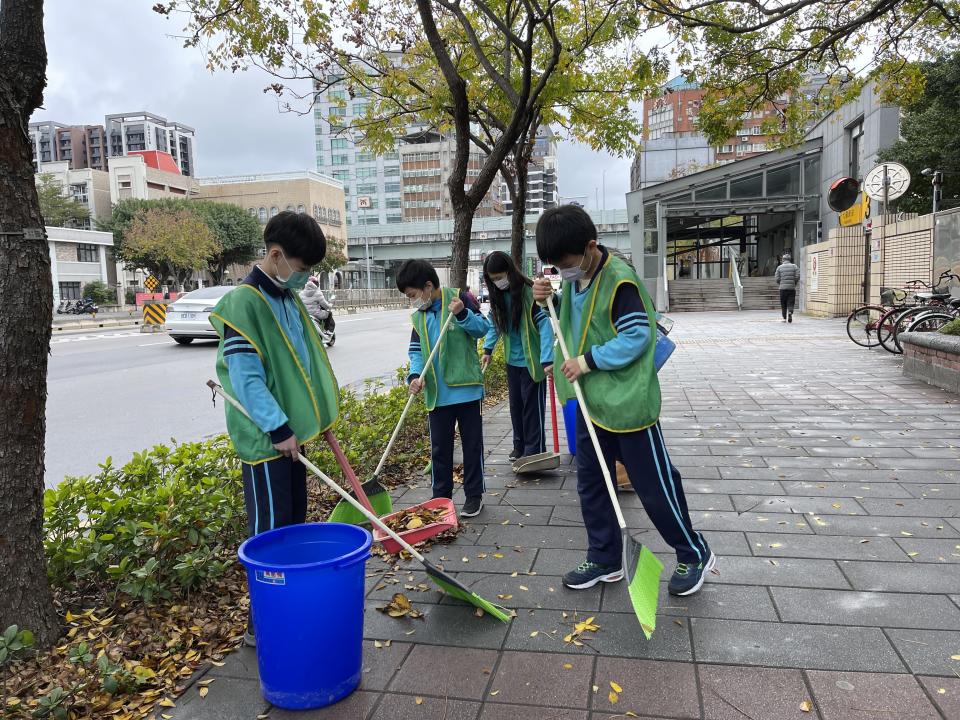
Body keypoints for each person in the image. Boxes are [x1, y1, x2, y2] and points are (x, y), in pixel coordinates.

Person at [531, 205, 713, 596]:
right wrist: (547, 299)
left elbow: (637, 337)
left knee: (654, 487)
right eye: (555, 266)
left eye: (565, 263)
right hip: (591, 402)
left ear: (590, 247)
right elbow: (573, 322)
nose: (562, 270)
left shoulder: (619, 281)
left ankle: (693, 552)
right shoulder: (576, 280)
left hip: (629, 404)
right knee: (592, 484)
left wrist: (587, 361)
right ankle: (604, 556)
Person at [210, 211, 339, 645]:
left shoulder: (287, 300)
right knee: (270, 533)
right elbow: (246, 381)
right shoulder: (243, 304)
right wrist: (279, 427)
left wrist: (315, 418)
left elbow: (303, 367)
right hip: (268, 442)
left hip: (291, 439)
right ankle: (262, 625)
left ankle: (288, 610)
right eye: (301, 269)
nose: (304, 278)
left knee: (294, 526)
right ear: (277, 255)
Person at [398, 259, 489, 518]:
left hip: (467, 389)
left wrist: (462, 313)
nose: (412, 301)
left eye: (413, 295)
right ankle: (441, 497)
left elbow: (483, 329)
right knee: (439, 449)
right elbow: (416, 351)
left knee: (472, 446)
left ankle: (474, 495)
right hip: (437, 395)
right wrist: (415, 375)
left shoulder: (459, 298)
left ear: (428, 286)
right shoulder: (419, 316)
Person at [480, 251, 554, 462]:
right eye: (493, 279)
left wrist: (548, 358)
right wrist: (488, 350)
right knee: (516, 406)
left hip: (533, 361)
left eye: (500, 276)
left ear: (509, 271)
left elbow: (546, 326)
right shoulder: (497, 297)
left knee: (532, 408)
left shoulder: (530, 292)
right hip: (512, 362)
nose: (498, 282)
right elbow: (496, 325)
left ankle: (535, 448)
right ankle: (519, 446)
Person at [774, 252, 800, 323]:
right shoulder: (794, 266)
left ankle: (784, 317)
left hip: (782, 289)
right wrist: (794, 282)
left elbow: (777, 278)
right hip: (791, 288)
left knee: (783, 303)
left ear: (783, 259)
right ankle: (790, 312)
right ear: (790, 259)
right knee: (791, 302)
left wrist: (781, 283)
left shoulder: (779, 267)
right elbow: (797, 276)